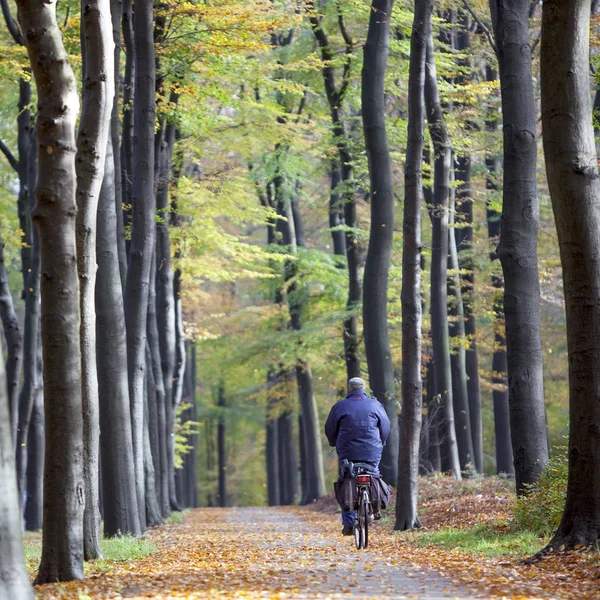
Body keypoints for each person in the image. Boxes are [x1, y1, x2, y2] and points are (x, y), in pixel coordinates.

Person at [324, 377, 391, 535]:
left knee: (346, 479)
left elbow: (329, 427)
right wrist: (382, 441)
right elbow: (386, 426)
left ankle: (348, 523)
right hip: (372, 450)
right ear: (364, 388)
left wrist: (333, 442)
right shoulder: (375, 404)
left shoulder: (340, 406)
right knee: (373, 473)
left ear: (349, 389)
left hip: (347, 451)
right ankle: (375, 508)